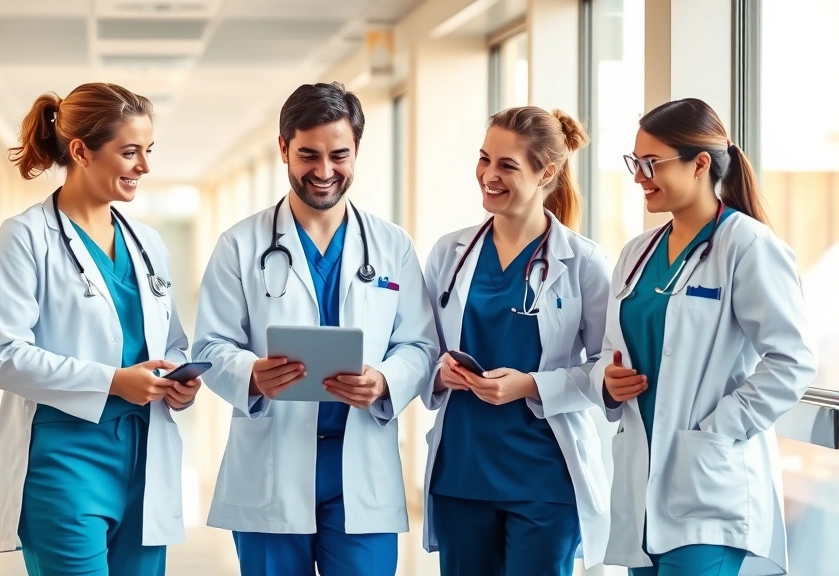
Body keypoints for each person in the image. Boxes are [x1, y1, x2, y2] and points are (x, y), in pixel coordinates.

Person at [191, 81, 439, 576]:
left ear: (357, 151)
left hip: (359, 464)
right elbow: (210, 345)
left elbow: (420, 343)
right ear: (283, 148)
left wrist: (386, 380)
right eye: (308, 155)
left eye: (339, 155)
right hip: (273, 459)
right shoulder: (240, 245)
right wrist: (252, 374)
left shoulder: (392, 246)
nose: (324, 172)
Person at [0, 82, 201, 576]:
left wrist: (179, 380)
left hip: (145, 453)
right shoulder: (23, 239)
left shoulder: (147, 243)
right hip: (64, 458)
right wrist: (114, 380)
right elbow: (3, 356)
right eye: (129, 152)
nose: (144, 166)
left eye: (148, 151)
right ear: (81, 151)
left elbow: (171, 339)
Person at [592, 97, 817, 576]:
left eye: (652, 163)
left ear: (699, 164)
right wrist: (606, 381)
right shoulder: (637, 253)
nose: (638, 176)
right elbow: (610, 349)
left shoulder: (748, 246)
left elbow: (793, 360)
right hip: (644, 484)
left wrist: (719, 430)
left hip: (708, 484)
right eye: (635, 162)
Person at [421, 106, 612, 576]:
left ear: (547, 172)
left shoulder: (583, 262)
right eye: (484, 159)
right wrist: (439, 374)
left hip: (544, 475)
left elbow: (609, 367)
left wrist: (531, 385)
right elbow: (418, 348)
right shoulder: (451, 253)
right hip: (461, 471)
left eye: (507, 166)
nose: (488, 175)